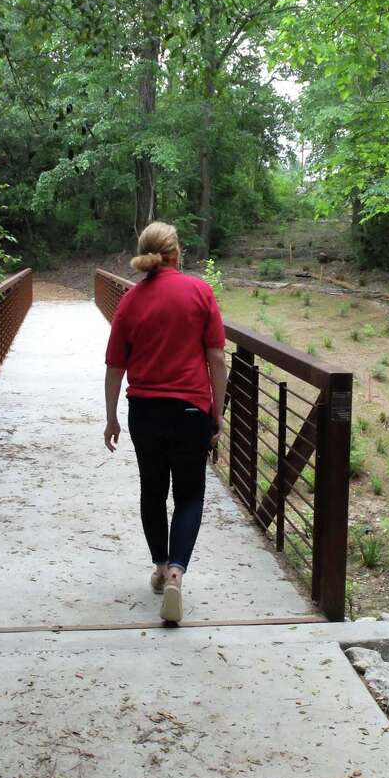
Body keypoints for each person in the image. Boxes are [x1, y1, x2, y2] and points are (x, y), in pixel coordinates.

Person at [103, 222, 228, 623]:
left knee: (153, 492)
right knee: (189, 495)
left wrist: (111, 418)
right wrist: (217, 412)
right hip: (191, 412)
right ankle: (176, 573)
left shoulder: (130, 301)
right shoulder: (200, 292)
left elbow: (115, 367)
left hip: (145, 412)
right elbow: (217, 357)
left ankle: (159, 567)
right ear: (177, 253)